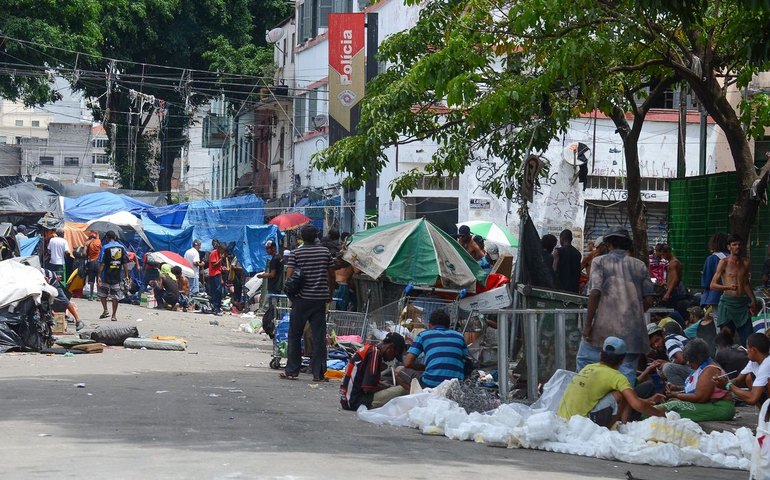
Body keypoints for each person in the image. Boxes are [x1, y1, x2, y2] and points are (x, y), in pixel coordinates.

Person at [578, 228, 656, 385]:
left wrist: (588, 325)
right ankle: (621, 406)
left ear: (608, 244)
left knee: (585, 361)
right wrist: (634, 314)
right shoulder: (640, 265)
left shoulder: (599, 262)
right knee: (625, 377)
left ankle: (591, 400)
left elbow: (594, 293)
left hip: (603, 330)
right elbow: (649, 299)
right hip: (633, 334)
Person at [558, 336, 665, 428]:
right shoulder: (617, 377)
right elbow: (636, 403)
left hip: (564, 419)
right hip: (583, 424)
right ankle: (623, 426)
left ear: (600, 355)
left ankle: (623, 424)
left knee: (623, 393)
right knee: (621, 394)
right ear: (622, 360)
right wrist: (658, 413)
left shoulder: (588, 368)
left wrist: (647, 401)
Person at [280, 224, 335, 382]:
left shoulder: (296, 253)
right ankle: (318, 373)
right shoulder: (325, 252)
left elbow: (289, 276)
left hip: (301, 300)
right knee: (318, 337)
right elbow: (331, 275)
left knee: (295, 335)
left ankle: (292, 371)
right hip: (319, 300)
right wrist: (329, 293)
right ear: (316, 236)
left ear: (302, 238)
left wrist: (292, 296)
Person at [657, 339, 735, 422]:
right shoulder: (702, 367)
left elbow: (700, 397)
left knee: (673, 406)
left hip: (720, 408)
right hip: (711, 405)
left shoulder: (710, 370)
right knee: (672, 405)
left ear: (697, 359)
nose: (689, 364)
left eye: (690, 361)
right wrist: (676, 388)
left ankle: (645, 413)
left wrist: (676, 395)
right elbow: (697, 389)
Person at [396, 309, 470, 389]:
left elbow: (407, 363)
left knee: (398, 371)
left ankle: (420, 395)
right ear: (448, 326)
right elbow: (466, 361)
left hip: (430, 384)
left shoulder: (423, 335)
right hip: (455, 386)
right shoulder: (459, 336)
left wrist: (424, 367)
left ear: (429, 325)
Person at [710, 233, 758, 346]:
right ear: (729, 247)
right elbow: (712, 285)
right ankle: (723, 361)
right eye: (734, 244)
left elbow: (746, 283)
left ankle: (748, 361)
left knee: (748, 339)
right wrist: (727, 287)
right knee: (725, 339)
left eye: (739, 244)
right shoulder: (724, 262)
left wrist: (753, 300)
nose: (737, 247)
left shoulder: (745, 263)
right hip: (727, 303)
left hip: (742, 304)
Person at [340, 332, 406, 410]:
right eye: (395, 355)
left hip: (347, 400)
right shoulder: (375, 354)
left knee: (388, 386)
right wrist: (388, 389)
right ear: (390, 347)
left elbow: (365, 382)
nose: (392, 358)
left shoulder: (369, 349)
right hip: (356, 402)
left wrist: (387, 387)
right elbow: (368, 388)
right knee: (404, 389)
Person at [713, 332, 770, 407]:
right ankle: (764, 414)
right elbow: (738, 380)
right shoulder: (754, 362)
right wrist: (724, 382)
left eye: (747, 347)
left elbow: (752, 399)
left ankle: (767, 415)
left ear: (753, 350)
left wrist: (728, 385)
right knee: (749, 378)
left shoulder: (767, 364)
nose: (746, 350)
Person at [97, 231, 130, 322]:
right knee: (115, 296)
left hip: (105, 275)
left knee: (102, 293)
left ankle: (105, 310)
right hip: (117, 275)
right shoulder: (122, 247)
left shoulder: (105, 247)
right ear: (115, 237)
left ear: (107, 238)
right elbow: (125, 263)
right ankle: (114, 315)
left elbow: (102, 263)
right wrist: (127, 275)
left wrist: (98, 276)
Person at [656, 244, 688, 320]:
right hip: (671, 290)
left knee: (669, 311)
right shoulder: (671, 262)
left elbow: (675, 278)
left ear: (668, 252)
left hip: (673, 292)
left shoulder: (674, 263)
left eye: (663, 254)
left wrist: (668, 293)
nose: (663, 257)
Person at [701, 232, 729, 310]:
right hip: (732, 295)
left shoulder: (712, 258)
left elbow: (706, 282)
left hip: (716, 297)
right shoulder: (732, 258)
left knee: (719, 320)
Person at [553, 229, 582, 293]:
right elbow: (578, 272)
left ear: (562, 238)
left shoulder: (558, 251)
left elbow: (554, 270)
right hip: (574, 290)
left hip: (560, 288)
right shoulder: (578, 253)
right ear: (571, 239)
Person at [84, 232, 102, 300]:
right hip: (98, 262)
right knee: (98, 278)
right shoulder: (99, 242)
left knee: (91, 280)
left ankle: (91, 296)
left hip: (91, 262)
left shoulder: (87, 243)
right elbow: (101, 250)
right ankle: (98, 296)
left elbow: (84, 253)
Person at [208, 242, 224, 315]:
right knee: (216, 291)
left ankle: (218, 306)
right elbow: (213, 264)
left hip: (218, 274)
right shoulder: (214, 253)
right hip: (213, 274)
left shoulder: (219, 254)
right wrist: (221, 259)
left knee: (219, 291)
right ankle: (215, 307)